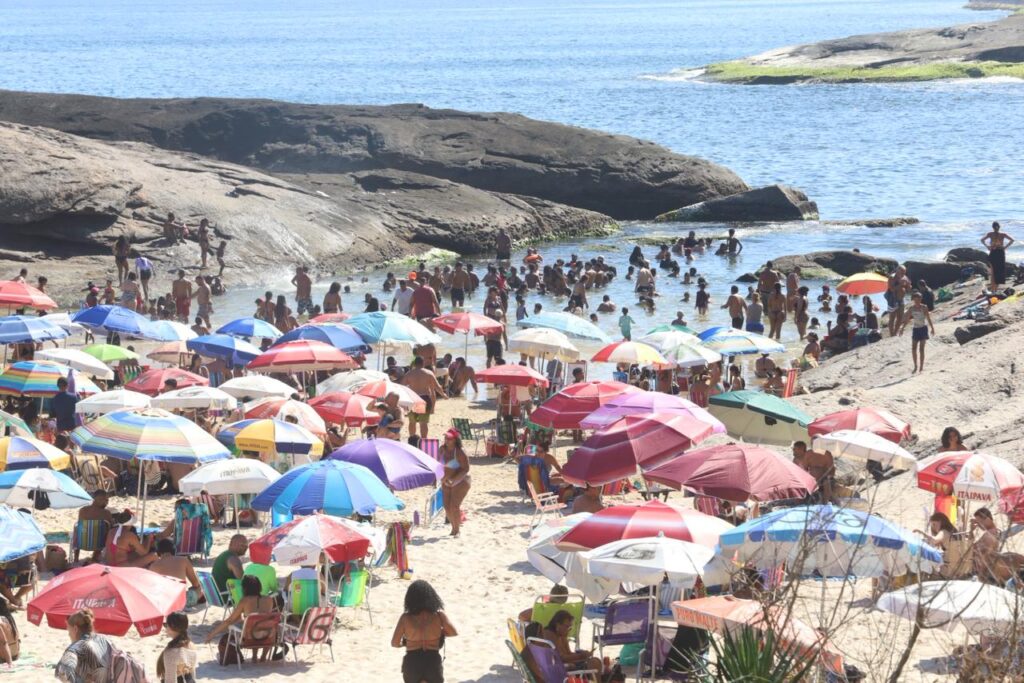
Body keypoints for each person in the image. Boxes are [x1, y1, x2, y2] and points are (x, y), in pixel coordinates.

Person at [391, 580, 457, 683]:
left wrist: (404, 643)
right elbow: (453, 632)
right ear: (432, 597)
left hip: (412, 663)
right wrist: (440, 633)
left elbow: (394, 643)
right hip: (432, 661)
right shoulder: (439, 615)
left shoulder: (405, 618)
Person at [204, 575, 278, 657]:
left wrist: (212, 634)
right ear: (259, 586)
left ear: (244, 588)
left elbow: (229, 620)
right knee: (261, 623)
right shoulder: (269, 599)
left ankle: (254, 656)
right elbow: (261, 616)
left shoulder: (245, 601)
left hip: (250, 638)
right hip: (268, 637)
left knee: (250, 626)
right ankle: (263, 656)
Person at [55, 609, 113, 683]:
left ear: (75, 629)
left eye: (69, 630)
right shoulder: (105, 641)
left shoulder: (74, 649)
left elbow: (63, 675)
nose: (69, 634)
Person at [542, 610, 602, 675]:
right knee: (594, 663)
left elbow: (568, 653)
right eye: (567, 626)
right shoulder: (550, 635)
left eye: (570, 627)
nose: (569, 630)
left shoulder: (561, 635)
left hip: (567, 665)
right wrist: (581, 656)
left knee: (595, 661)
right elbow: (561, 658)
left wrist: (583, 656)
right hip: (560, 669)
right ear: (558, 624)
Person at [150, 539, 202, 608]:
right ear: (173, 550)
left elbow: (151, 587)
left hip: (163, 603)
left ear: (158, 552)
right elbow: (195, 583)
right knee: (200, 589)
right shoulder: (184, 560)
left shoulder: (153, 566)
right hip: (181, 602)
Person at [402, 357, 444, 439]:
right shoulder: (428, 373)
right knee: (423, 423)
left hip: (414, 398)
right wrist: (443, 394)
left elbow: (402, 386)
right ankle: (424, 440)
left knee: (412, 422)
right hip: (424, 398)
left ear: (414, 364)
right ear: (423, 363)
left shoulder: (409, 374)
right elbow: (437, 386)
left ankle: (412, 439)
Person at [439, 429, 470, 537]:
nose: (446, 440)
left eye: (449, 438)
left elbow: (466, 469)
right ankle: (453, 528)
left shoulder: (460, 452)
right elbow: (439, 465)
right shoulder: (442, 449)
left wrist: (455, 479)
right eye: (446, 438)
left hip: (461, 481)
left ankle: (457, 530)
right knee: (447, 507)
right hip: (446, 480)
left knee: (454, 506)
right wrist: (441, 478)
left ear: (455, 440)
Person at [898, 291, 935, 374]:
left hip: (923, 328)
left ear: (921, 299)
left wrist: (932, 328)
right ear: (913, 300)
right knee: (913, 348)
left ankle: (921, 367)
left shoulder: (924, 307)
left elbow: (928, 318)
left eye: (919, 299)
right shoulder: (911, 308)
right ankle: (915, 366)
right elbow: (907, 319)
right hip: (916, 329)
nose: (917, 301)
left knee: (921, 349)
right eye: (915, 299)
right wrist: (902, 328)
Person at [157, 611, 197, 683]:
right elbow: (192, 675)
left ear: (172, 627)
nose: (165, 627)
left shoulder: (170, 652)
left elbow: (170, 681)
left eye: (166, 625)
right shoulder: (192, 645)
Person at [981, 221, 1015, 291]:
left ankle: (993, 289)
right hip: (1000, 253)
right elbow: (1012, 240)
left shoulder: (990, 234)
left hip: (993, 253)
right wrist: (1005, 247)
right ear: (999, 227)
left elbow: (982, 240)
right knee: (999, 271)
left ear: (992, 227)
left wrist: (987, 246)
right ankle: (995, 289)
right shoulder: (1003, 235)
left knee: (993, 272)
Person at [970, 507, 1001, 583]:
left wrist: (980, 576)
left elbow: (985, 556)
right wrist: (971, 531)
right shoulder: (989, 533)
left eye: (979, 522)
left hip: (982, 573)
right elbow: (971, 547)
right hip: (980, 572)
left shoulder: (990, 535)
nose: (978, 525)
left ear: (987, 519)